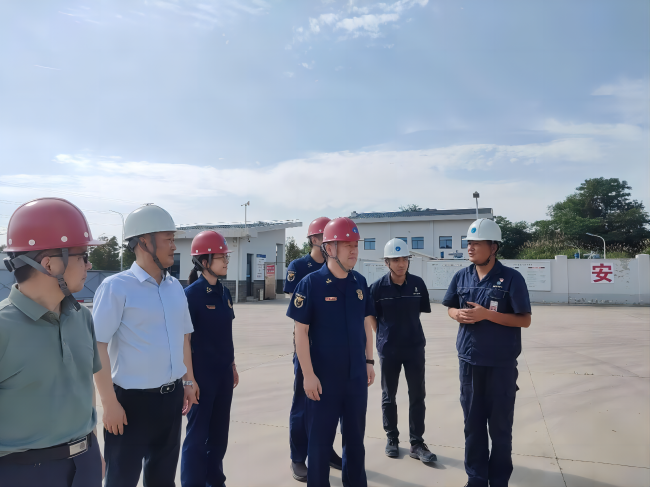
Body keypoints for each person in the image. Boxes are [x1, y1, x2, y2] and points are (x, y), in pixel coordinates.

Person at [0, 197, 105, 486]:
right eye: (82, 255)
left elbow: (85, 388)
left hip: (85, 463)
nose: (89, 264)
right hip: (23, 472)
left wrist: (93, 448)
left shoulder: (82, 317)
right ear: (49, 264)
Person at [92, 203, 198, 487]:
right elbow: (97, 345)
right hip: (130, 405)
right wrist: (109, 403)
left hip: (171, 399)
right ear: (144, 241)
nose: (174, 246)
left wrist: (188, 381)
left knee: (163, 479)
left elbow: (184, 337)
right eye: (168, 239)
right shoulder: (116, 287)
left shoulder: (175, 288)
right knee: (121, 479)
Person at [287, 217, 376, 487]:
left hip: (356, 377)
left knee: (355, 441)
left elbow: (366, 324)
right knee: (319, 444)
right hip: (323, 380)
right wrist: (308, 375)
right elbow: (300, 333)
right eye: (347, 245)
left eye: (356, 245)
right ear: (329, 248)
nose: (354, 251)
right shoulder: (310, 284)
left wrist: (369, 361)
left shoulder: (360, 282)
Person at [442, 218, 531, 487]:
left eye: (477, 243)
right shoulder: (461, 276)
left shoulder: (512, 278)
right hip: (469, 364)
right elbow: (449, 307)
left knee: (501, 428)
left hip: (500, 365)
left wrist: (487, 315)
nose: (470, 248)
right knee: (473, 426)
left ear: (493, 247)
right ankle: (476, 479)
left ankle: (499, 480)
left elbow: (524, 319)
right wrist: (456, 314)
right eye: (469, 243)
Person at [284, 217, 343, 481]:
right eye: (324, 237)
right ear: (314, 239)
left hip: (332, 348)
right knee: (303, 403)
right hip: (307, 346)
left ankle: (324, 450)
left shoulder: (338, 267)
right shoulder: (299, 267)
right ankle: (298, 457)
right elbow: (297, 312)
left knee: (329, 405)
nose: (329, 242)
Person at [369, 238, 436, 463]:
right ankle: (392, 438)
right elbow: (370, 314)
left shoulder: (418, 284)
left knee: (417, 394)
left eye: (404, 259)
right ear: (387, 262)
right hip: (389, 349)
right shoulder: (377, 288)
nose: (401, 264)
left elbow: (419, 312)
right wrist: (382, 335)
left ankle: (417, 442)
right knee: (389, 395)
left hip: (414, 347)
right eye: (395, 259)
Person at [180, 230, 238, 487]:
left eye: (226, 257)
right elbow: (185, 340)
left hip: (223, 374)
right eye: (221, 257)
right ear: (204, 261)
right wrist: (189, 380)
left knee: (219, 435)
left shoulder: (224, 292)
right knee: (197, 437)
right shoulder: (191, 296)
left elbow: (227, 333)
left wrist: (232, 365)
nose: (226, 261)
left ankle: (215, 480)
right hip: (201, 376)